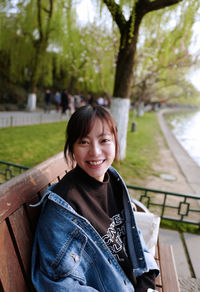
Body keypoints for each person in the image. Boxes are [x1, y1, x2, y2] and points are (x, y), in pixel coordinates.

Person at [31, 105, 159, 291]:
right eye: (84, 142)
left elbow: (131, 235)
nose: (95, 152)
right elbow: (57, 285)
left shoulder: (112, 181)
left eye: (104, 140)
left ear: (116, 142)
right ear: (72, 147)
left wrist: (147, 279)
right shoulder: (62, 210)